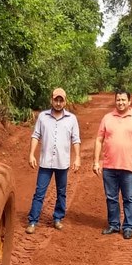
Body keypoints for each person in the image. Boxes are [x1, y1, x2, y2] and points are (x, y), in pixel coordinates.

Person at [93, 91, 132, 240]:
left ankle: (128, 227)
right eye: (118, 100)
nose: (120, 102)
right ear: (115, 101)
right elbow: (99, 140)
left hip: (129, 167)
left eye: (123, 100)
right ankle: (114, 224)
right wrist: (96, 162)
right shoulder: (107, 118)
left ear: (129, 102)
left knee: (128, 198)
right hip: (109, 166)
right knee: (111, 197)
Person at [25, 88, 81, 234]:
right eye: (56, 100)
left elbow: (75, 139)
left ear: (65, 102)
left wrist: (77, 157)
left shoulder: (71, 119)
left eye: (61, 100)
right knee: (39, 192)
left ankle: (58, 218)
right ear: (51, 100)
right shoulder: (42, 117)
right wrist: (31, 154)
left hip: (62, 163)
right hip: (45, 162)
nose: (58, 103)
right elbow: (35, 135)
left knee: (61, 192)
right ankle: (33, 221)